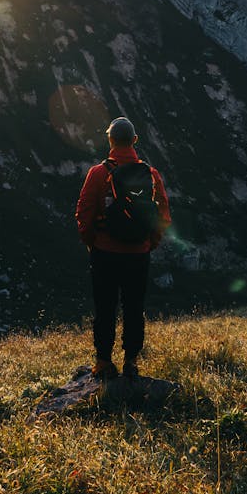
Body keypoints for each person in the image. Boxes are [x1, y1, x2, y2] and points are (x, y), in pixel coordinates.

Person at [76, 116, 171, 379]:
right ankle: (131, 361)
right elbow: (163, 215)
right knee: (134, 307)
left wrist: (91, 242)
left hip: (104, 252)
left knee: (105, 307)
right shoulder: (150, 174)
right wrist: (150, 243)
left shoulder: (98, 173)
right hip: (138, 254)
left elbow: (83, 212)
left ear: (110, 140)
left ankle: (104, 362)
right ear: (135, 141)